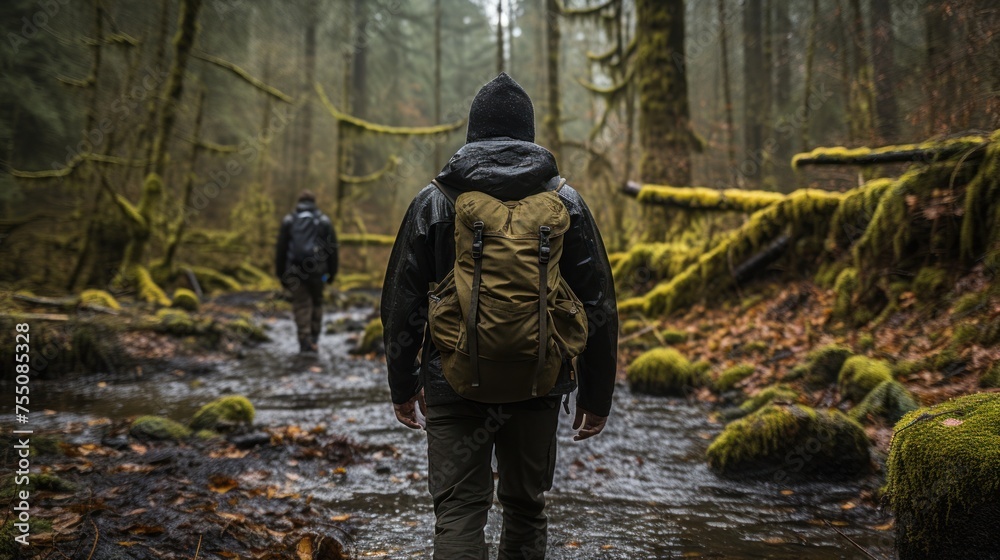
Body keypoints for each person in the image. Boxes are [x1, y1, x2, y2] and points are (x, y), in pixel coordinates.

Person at [382, 73, 618, 559]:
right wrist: (597, 394)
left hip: (452, 378)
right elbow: (597, 303)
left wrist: (403, 386)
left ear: (473, 134)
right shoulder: (566, 203)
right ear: (529, 135)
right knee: (526, 508)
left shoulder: (434, 201)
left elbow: (401, 302)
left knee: (459, 510)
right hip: (539, 379)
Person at [276, 190, 338, 354]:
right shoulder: (323, 221)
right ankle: (315, 339)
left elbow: (281, 250)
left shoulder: (289, 221)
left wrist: (280, 274)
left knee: (301, 304)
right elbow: (332, 250)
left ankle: (304, 339)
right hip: (318, 271)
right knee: (317, 302)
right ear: (314, 202)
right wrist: (332, 273)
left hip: (294, 271)